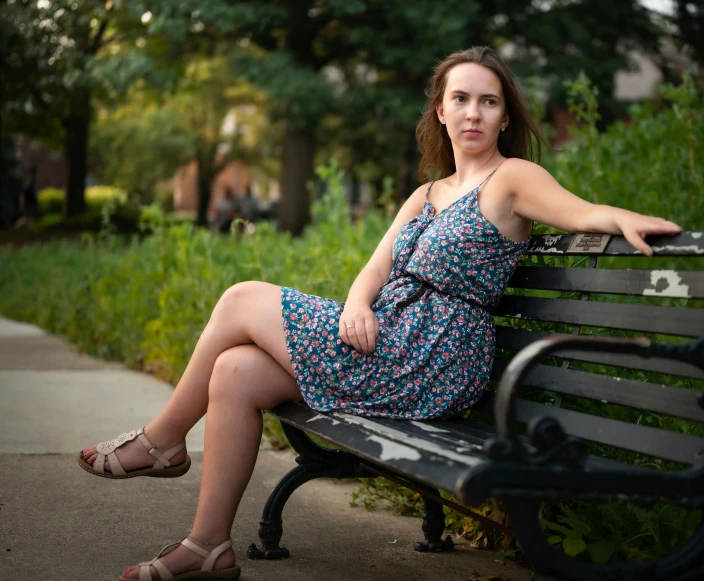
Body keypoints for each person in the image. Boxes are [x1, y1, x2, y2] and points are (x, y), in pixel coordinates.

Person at [77, 46, 682, 581]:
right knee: (234, 370)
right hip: (388, 338)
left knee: (240, 297)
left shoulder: (512, 179)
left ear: (504, 116)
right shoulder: (425, 194)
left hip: (434, 355)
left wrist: (618, 219)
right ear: (440, 112)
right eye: (461, 99)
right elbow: (373, 267)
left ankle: (161, 443)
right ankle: (208, 546)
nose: (474, 113)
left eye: (489, 102)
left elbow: (580, 212)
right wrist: (360, 303)